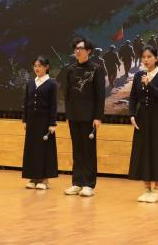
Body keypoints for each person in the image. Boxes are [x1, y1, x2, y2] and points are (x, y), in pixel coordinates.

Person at [123, 45, 158, 202]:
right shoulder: (139, 75)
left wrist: (149, 84)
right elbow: (133, 97)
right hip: (142, 118)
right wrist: (132, 115)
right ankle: (146, 189)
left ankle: (156, 190)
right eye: (143, 57)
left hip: (157, 119)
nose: (146, 60)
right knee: (143, 151)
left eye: (149, 57)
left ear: (156, 58)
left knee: (157, 152)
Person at [64, 37, 105, 197]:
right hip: (74, 115)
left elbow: (100, 95)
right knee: (77, 150)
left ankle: (88, 184)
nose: (77, 51)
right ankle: (77, 183)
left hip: (89, 117)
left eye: (80, 48)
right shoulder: (70, 69)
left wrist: (98, 117)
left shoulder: (96, 69)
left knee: (88, 151)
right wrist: (68, 115)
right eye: (76, 48)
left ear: (88, 51)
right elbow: (67, 94)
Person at [22, 56, 58, 190]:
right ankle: (33, 177)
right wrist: (25, 120)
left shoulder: (51, 83)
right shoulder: (30, 83)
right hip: (32, 121)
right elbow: (26, 102)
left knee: (44, 149)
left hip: (45, 121)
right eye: (35, 66)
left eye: (40, 66)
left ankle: (44, 180)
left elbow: (53, 105)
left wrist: (52, 123)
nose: (37, 68)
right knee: (32, 149)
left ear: (46, 67)